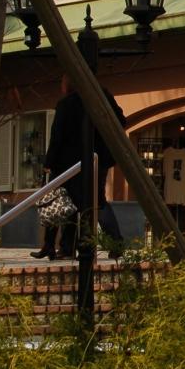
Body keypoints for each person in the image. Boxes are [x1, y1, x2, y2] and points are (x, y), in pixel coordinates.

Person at [33, 75, 126, 259]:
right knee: (95, 201)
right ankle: (112, 243)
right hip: (97, 158)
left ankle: (61, 247)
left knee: (62, 199)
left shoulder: (66, 104)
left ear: (68, 85)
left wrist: (49, 162)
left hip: (69, 163)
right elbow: (121, 122)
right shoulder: (102, 96)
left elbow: (57, 136)